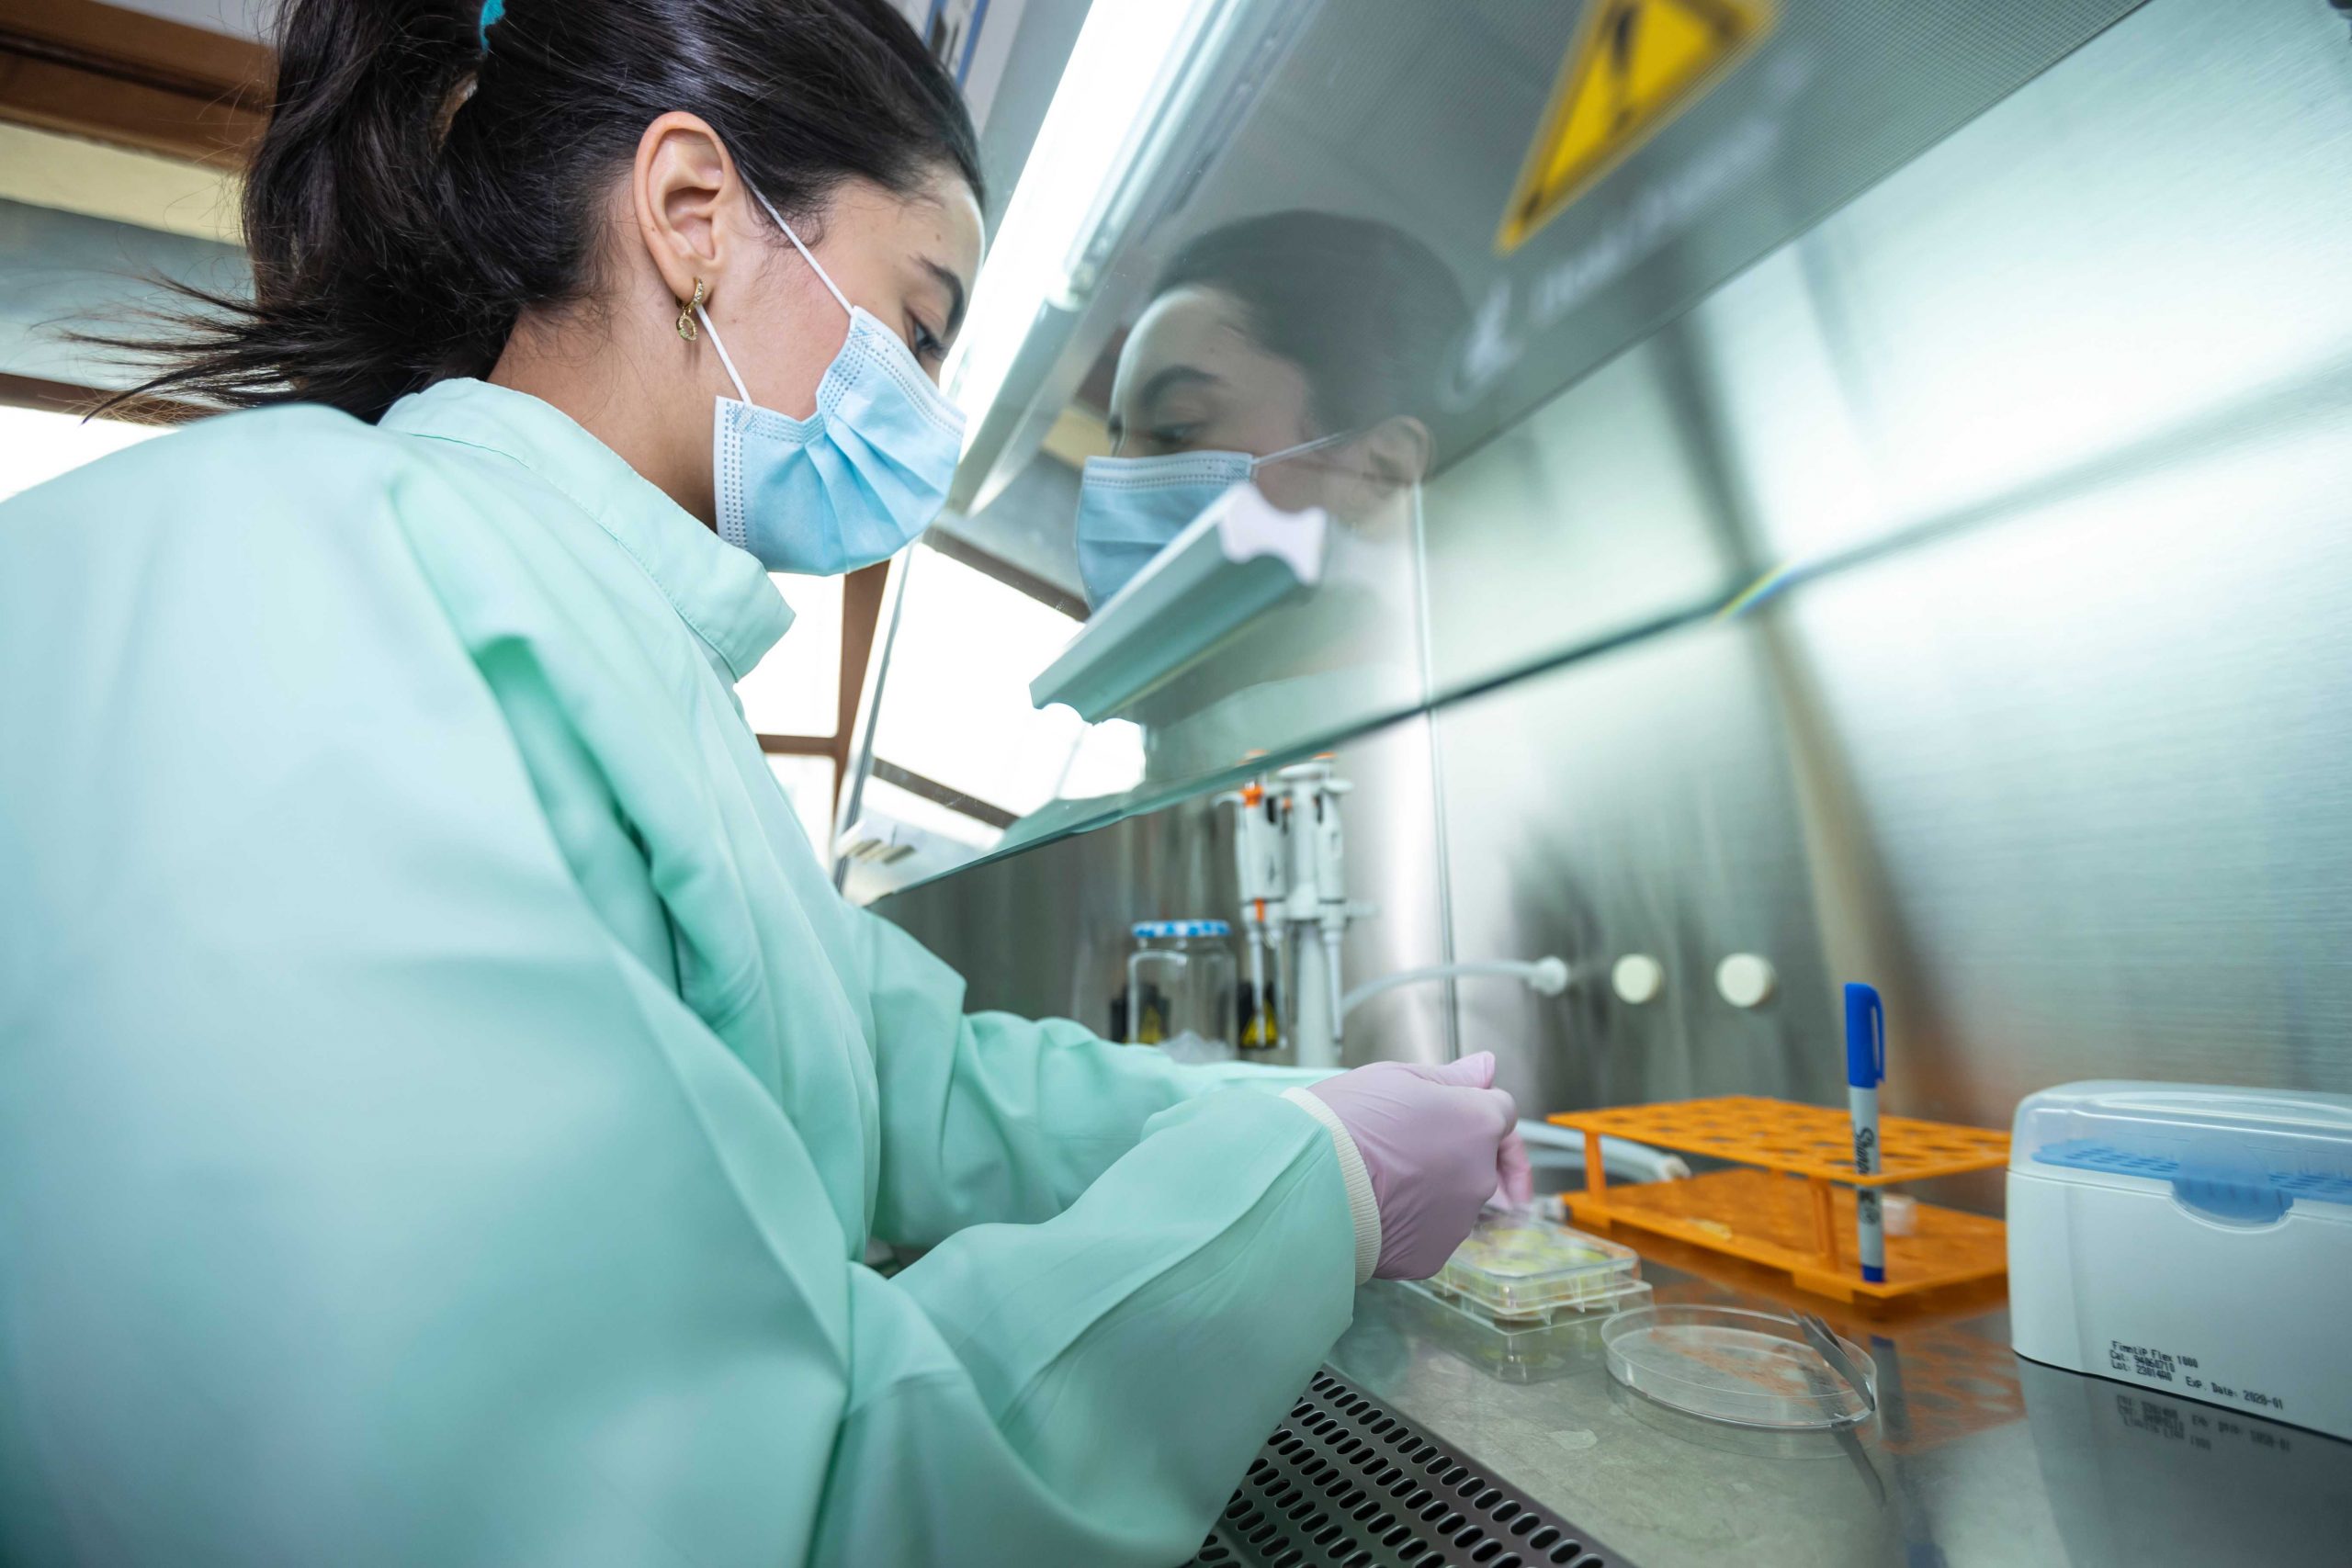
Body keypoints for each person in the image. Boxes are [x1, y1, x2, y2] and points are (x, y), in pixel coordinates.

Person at [0, 4, 1527, 1566]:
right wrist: (1312, 1192)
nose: (926, 409)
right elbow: (746, 1513)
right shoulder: (333, 590)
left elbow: (909, 1069)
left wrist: (1307, 1108)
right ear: (690, 215)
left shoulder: (611, 648)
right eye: (920, 327)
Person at [1071, 211, 1468, 778]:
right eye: (1116, 440)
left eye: (1176, 427)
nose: (1118, 483)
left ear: (1383, 470)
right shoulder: (1192, 767)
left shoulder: (1441, 779)